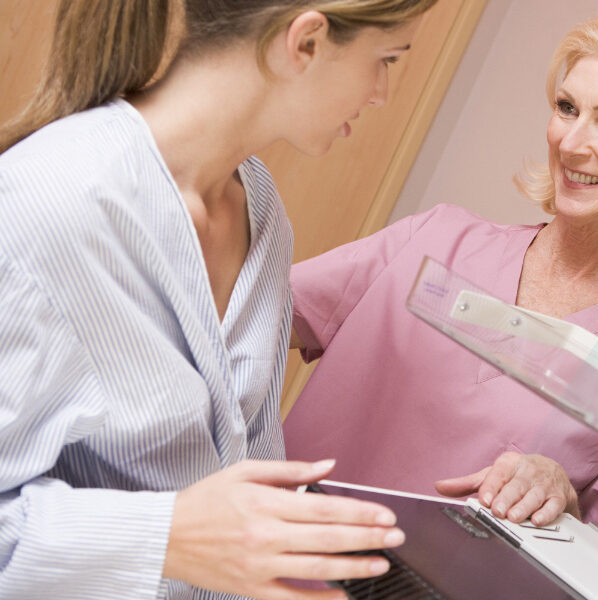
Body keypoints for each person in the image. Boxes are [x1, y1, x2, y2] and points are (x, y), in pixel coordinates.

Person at [0, 0, 437, 598]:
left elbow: (249, 465)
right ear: (305, 42)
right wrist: (164, 536)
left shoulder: (261, 211)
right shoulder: (44, 207)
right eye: (384, 60)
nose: (382, 92)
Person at [283, 6, 598, 533]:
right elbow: (239, 312)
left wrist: (563, 497)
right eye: (566, 107)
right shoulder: (435, 240)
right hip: (252, 561)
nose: (570, 142)